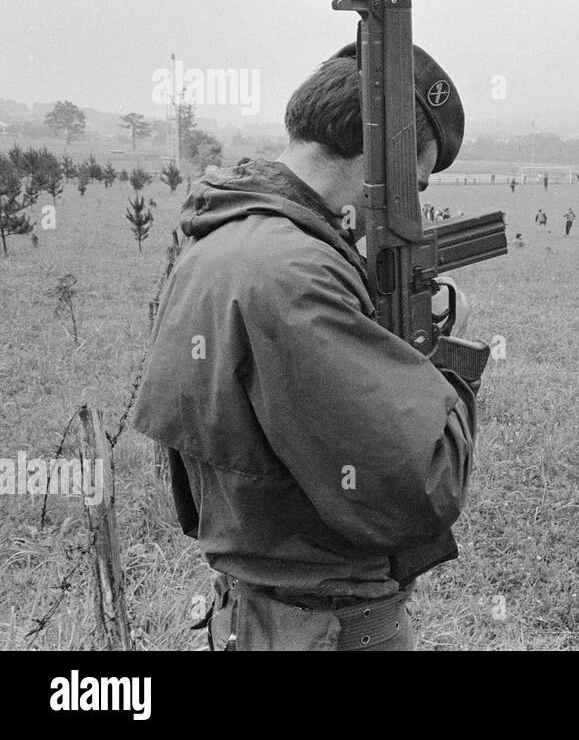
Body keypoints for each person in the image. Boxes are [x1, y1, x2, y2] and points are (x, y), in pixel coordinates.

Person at [131, 41, 477, 651]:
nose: (409, 207)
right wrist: (444, 370)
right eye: (414, 182)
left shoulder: (220, 239)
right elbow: (428, 481)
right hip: (329, 627)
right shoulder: (295, 274)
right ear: (382, 155)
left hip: (258, 608)